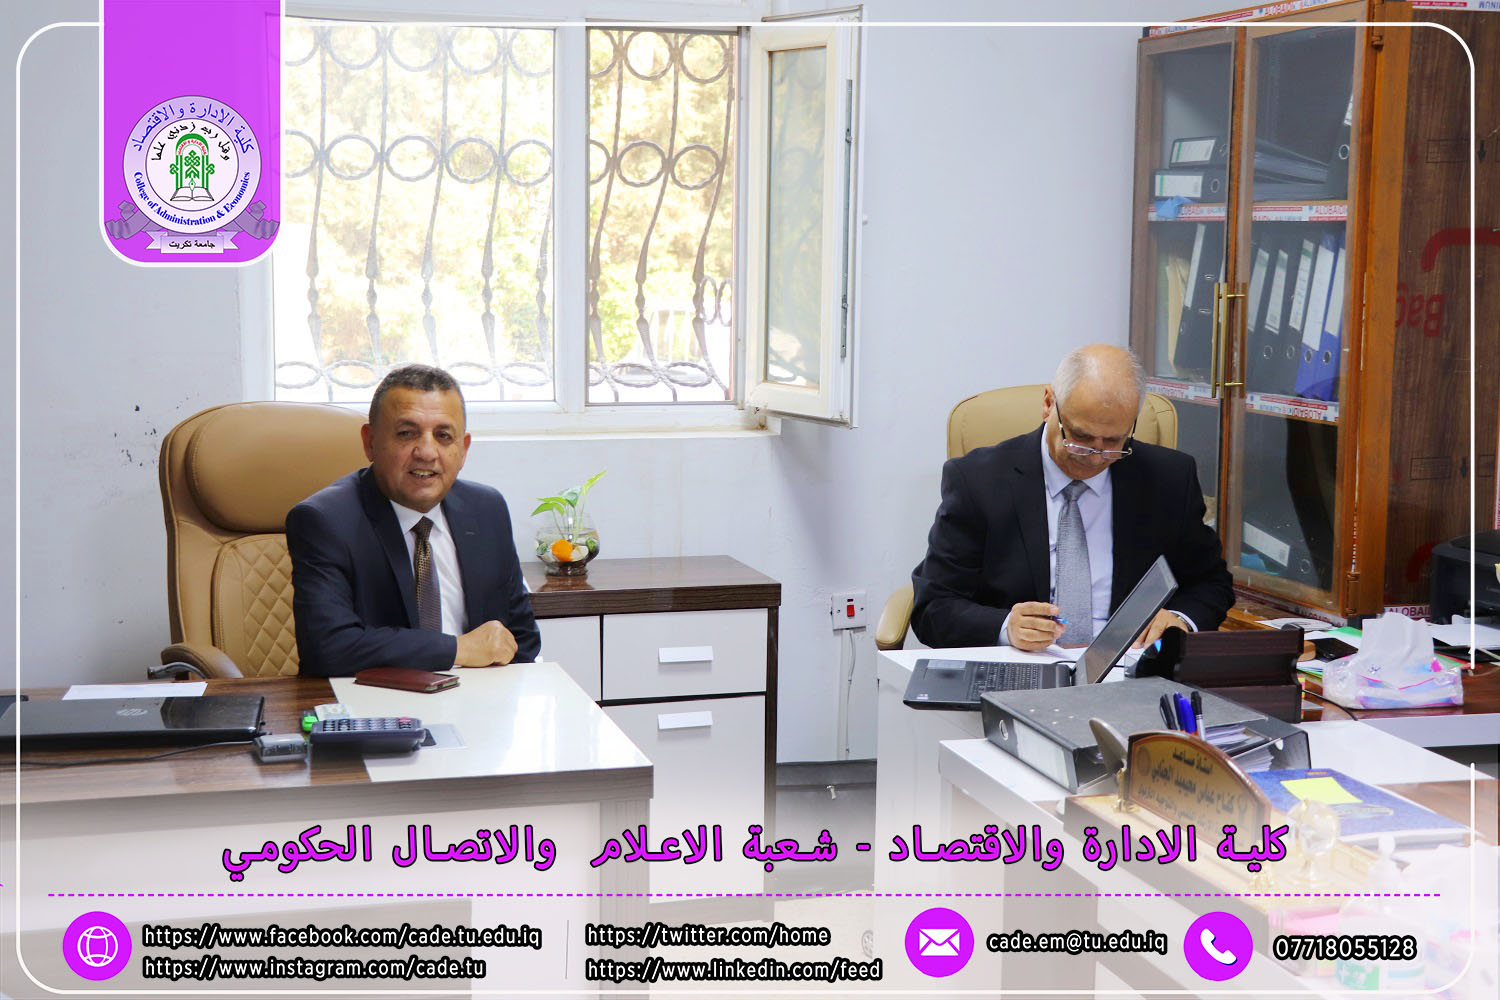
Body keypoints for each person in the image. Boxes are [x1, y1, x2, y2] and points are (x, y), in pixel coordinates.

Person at [910, 344, 1233, 652]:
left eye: (1113, 441)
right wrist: (1006, 627)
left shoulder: (1169, 478)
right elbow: (934, 607)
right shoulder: (978, 480)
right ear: (1049, 404)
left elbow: (1210, 583)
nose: (1095, 456)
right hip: (1021, 664)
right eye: (1080, 436)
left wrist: (1179, 618)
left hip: (1128, 664)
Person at [287, 364, 541, 676]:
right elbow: (328, 648)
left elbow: (521, 639)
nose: (426, 452)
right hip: (375, 699)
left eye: (443, 436)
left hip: (481, 695)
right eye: (407, 434)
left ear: (463, 450)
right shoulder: (326, 521)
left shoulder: (487, 510)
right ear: (370, 442)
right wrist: (457, 649)